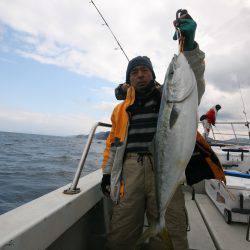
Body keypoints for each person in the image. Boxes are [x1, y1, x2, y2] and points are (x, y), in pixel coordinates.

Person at [101, 14, 205, 250]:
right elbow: (112, 143)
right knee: (121, 232)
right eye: (134, 71)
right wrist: (107, 174)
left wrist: (189, 47)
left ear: (153, 75)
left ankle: (163, 233)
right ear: (129, 78)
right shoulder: (121, 109)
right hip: (130, 170)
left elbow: (193, 80)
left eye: (144, 70)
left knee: (173, 232)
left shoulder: (166, 99)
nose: (140, 74)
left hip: (164, 164)